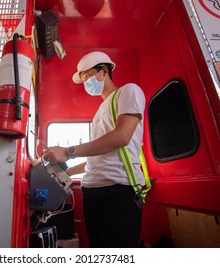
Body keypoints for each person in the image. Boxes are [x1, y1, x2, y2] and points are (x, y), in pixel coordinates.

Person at [43, 51, 146, 248]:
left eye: (89, 76)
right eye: (84, 80)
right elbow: (100, 155)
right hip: (91, 192)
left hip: (118, 192)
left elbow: (121, 137)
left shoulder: (128, 92)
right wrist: (67, 172)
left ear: (104, 71)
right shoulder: (99, 111)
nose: (87, 84)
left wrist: (67, 151)